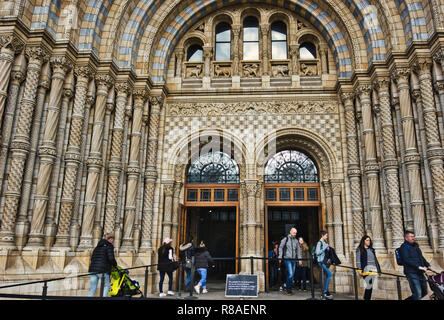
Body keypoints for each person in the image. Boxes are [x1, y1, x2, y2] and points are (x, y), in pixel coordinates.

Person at [399, 230, 436, 300]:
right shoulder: (403, 247)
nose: (413, 238)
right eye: (411, 237)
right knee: (417, 293)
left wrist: (428, 265)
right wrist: (418, 267)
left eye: (413, 236)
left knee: (424, 292)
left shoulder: (416, 246)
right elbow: (406, 259)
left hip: (420, 272)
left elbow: (421, 257)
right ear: (406, 238)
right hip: (411, 272)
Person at [88, 233, 117, 297]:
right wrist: (115, 265)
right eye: (111, 239)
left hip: (93, 269)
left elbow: (92, 258)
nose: (112, 240)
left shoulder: (97, 247)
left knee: (93, 287)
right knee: (107, 285)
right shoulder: (109, 246)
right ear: (108, 239)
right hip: (103, 270)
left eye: (113, 239)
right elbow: (111, 258)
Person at [356, 235, 381, 300]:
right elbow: (358, 260)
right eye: (367, 240)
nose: (368, 242)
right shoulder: (360, 249)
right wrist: (359, 269)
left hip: (373, 269)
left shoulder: (371, 249)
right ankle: (366, 298)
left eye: (369, 240)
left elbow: (375, 259)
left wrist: (378, 269)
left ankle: (366, 298)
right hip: (365, 270)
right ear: (363, 241)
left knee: (370, 286)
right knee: (369, 285)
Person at [278, 227, 302, 295]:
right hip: (287, 258)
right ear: (290, 232)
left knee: (292, 275)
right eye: (294, 232)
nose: (295, 234)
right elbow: (281, 247)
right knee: (291, 274)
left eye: (296, 233)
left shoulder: (296, 241)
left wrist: (299, 259)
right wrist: (280, 257)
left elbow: (298, 250)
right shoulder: (285, 239)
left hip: (293, 259)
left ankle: (288, 288)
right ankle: (287, 289)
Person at [315, 230, 333, 299]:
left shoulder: (325, 242)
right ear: (322, 235)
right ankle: (325, 291)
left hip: (325, 262)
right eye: (326, 235)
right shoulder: (319, 243)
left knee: (324, 277)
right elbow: (317, 253)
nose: (327, 237)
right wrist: (324, 248)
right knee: (330, 274)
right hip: (321, 262)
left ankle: (325, 292)